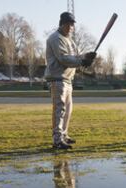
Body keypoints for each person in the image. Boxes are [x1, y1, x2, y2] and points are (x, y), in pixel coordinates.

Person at [45, 12, 96, 150]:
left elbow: (75, 57)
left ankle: (64, 135)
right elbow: (64, 58)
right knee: (60, 110)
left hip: (67, 80)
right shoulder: (55, 38)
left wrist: (86, 57)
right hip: (57, 79)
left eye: (72, 24)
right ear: (61, 23)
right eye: (68, 24)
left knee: (68, 110)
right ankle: (57, 140)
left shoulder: (70, 41)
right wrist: (82, 61)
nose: (70, 27)